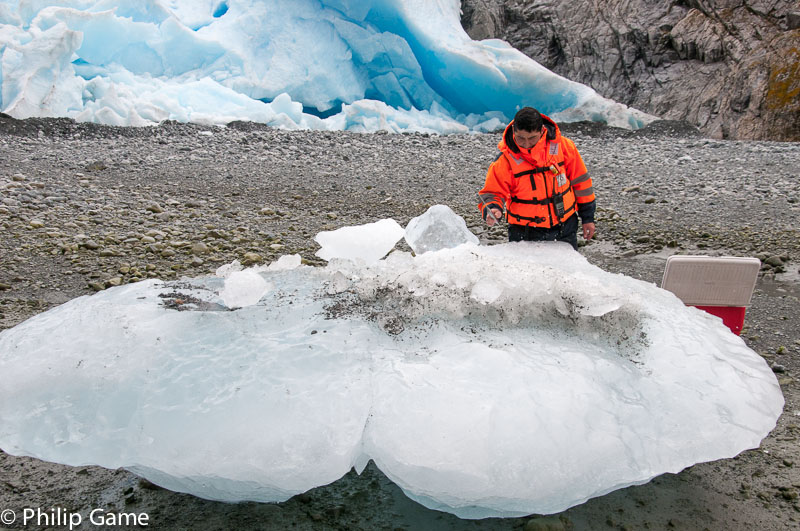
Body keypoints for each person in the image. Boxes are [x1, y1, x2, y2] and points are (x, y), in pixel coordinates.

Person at [478, 107, 595, 250]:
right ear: (514, 131)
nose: (526, 144)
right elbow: (492, 193)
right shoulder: (504, 161)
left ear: (542, 131)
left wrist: (587, 218)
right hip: (524, 232)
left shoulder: (564, 147)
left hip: (565, 227)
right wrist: (493, 208)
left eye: (532, 138)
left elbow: (581, 183)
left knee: (566, 272)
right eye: (521, 138)